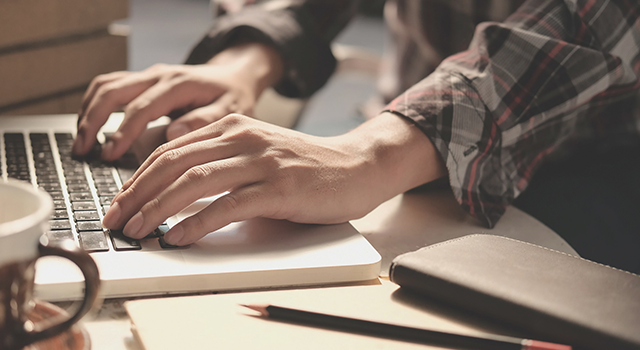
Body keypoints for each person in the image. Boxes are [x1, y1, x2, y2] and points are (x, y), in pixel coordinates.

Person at [73, 0, 640, 273]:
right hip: (398, 128)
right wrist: (248, 61)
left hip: (587, 165)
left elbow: (579, 26)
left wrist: (365, 155)